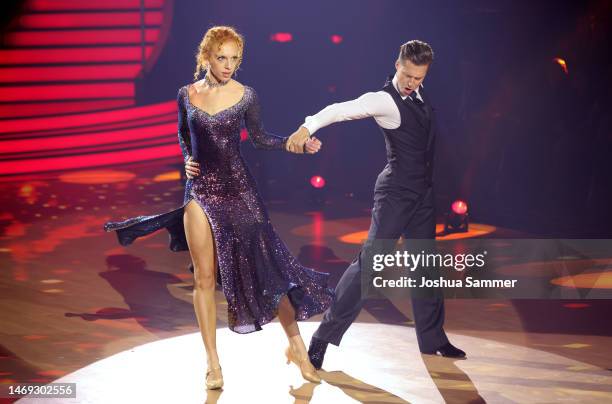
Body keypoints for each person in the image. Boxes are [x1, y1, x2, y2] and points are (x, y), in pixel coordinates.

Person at [104, 26, 334, 389]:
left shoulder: (246, 96)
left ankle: (297, 350)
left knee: (268, 269)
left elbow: (259, 139)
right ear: (207, 57)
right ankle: (213, 364)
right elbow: (183, 133)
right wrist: (186, 160)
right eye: (222, 58)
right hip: (200, 192)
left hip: (240, 192)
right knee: (203, 278)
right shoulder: (186, 94)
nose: (229, 66)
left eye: (235, 59)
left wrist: (293, 144)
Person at [285, 40, 466, 369]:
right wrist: (307, 126)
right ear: (397, 65)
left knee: (425, 266)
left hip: (422, 195)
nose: (412, 83)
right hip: (395, 193)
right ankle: (323, 337)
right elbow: (340, 109)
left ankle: (433, 338)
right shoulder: (384, 100)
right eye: (408, 75)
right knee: (369, 266)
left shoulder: (423, 97)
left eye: (419, 78)